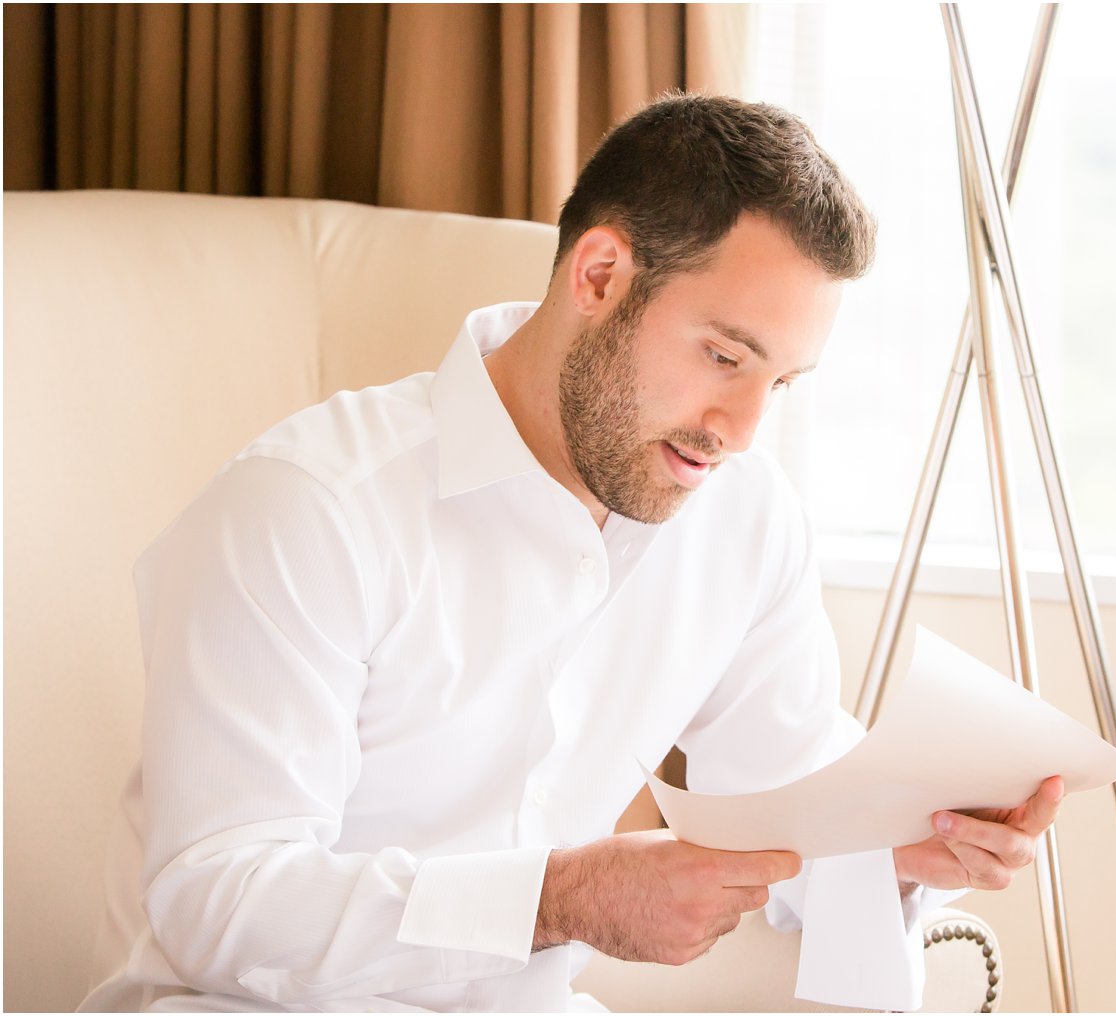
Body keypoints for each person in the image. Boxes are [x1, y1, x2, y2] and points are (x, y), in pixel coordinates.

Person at [80, 93, 1064, 1014]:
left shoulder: (744, 518)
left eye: (780, 381)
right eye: (723, 356)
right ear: (598, 276)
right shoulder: (307, 507)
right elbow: (218, 902)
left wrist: (901, 844)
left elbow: (789, 806)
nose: (741, 427)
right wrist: (558, 897)